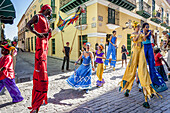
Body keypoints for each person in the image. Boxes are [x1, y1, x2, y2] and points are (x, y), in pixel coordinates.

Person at [119, 22, 161, 108]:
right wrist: (139, 34)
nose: (138, 28)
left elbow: (145, 39)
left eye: (139, 27)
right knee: (131, 71)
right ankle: (127, 89)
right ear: (134, 28)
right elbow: (134, 40)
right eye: (137, 27)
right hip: (135, 52)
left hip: (141, 51)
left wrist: (148, 34)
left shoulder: (141, 33)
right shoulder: (133, 34)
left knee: (143, 72)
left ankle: (147, 97)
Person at [26, 4, 52, 113]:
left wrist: (49, 32)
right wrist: (37, 34)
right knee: (40, 70)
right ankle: (36, 102)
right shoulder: (37, 17)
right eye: (50, 11)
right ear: (46, 10)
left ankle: (39, 100)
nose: (51, 13)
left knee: (44, 72)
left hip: (45, 46)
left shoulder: (47, 19)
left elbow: (47, 34)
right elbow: (28, 25)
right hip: (40, 46)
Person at [142, 23, 167, 92]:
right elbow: (144, 39)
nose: (148, 28)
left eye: (148, 27)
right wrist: (144, 33)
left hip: (149, 46)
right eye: (146, 27)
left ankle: (154, 80)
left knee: (151, 63)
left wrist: (153, 35)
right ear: (144, 27)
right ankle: (143, 81)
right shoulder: (141, 32)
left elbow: (150, 39)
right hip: (144, 47)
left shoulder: (149, 32)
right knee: (144, 63)